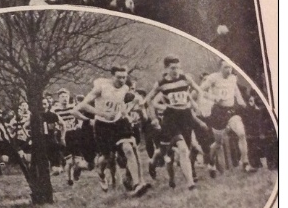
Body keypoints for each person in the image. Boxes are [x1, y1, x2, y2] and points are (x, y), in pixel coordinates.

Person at [78, 65, 151, 197]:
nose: (122, 80)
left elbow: (124, 102)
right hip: (102, 125)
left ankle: (137, 184)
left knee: (128, 148)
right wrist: (102, 113)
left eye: (124, 77)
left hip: (118, 123)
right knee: (107, 157)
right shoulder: (101, 88)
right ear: (112, 77)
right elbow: (83, 105)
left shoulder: (125, 88)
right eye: (119, 77)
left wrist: (128, 110)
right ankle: (100, 173)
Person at [143, 56, 204, 191]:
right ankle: (190, 184)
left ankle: (153, 163)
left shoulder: (185, 79)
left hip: (185, 117)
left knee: (183, 151)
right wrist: (153, 117)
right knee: (180, 149)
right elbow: (148, 100)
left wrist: (197, 105)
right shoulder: (161, 83)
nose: (176, 70)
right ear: (166, 68)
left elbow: (199, 90)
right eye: (172, 68)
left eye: (178, 67)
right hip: (171, 118)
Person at [201, 59, 254, 173]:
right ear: (220, 68)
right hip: (218, 112)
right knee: (218, 143)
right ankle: (211, 162)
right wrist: (213, 98)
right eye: (226, 67)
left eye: (230, 67)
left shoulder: (233, 78)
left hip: (231, 110)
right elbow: (201, 91)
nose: (228, 70)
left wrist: (242, 103)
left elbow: (236, 92)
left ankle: (245, 163)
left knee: (241, 133)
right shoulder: (213, 78)